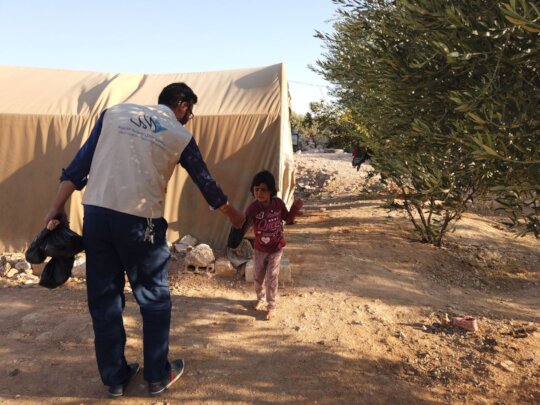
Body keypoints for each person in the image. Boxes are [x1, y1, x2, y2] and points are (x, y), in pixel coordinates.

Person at [43, 83, 245, 397]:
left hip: (96, 215)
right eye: (190, 112)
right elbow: (205, 181)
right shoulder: (179, 135)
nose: (188, 118)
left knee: (104, 299)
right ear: (182, 106)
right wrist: (233, 215)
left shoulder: (114, 114)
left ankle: (115, 378)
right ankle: (157, 375)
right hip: (141, 223)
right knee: (153, 298)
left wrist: (55, 207)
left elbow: (79, 166)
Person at [244, 170, 303, 320]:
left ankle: (271, 306)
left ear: (271, 191)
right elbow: (243, 225)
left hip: (276, 248)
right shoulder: (252, 209)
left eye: (263, 190)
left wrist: (295, 208)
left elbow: (288, 219)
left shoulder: (278, 204)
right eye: (256, 189)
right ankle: (260, 298)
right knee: (258, 276)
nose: (259, 193)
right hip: (259, 249)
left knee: (272, 277)